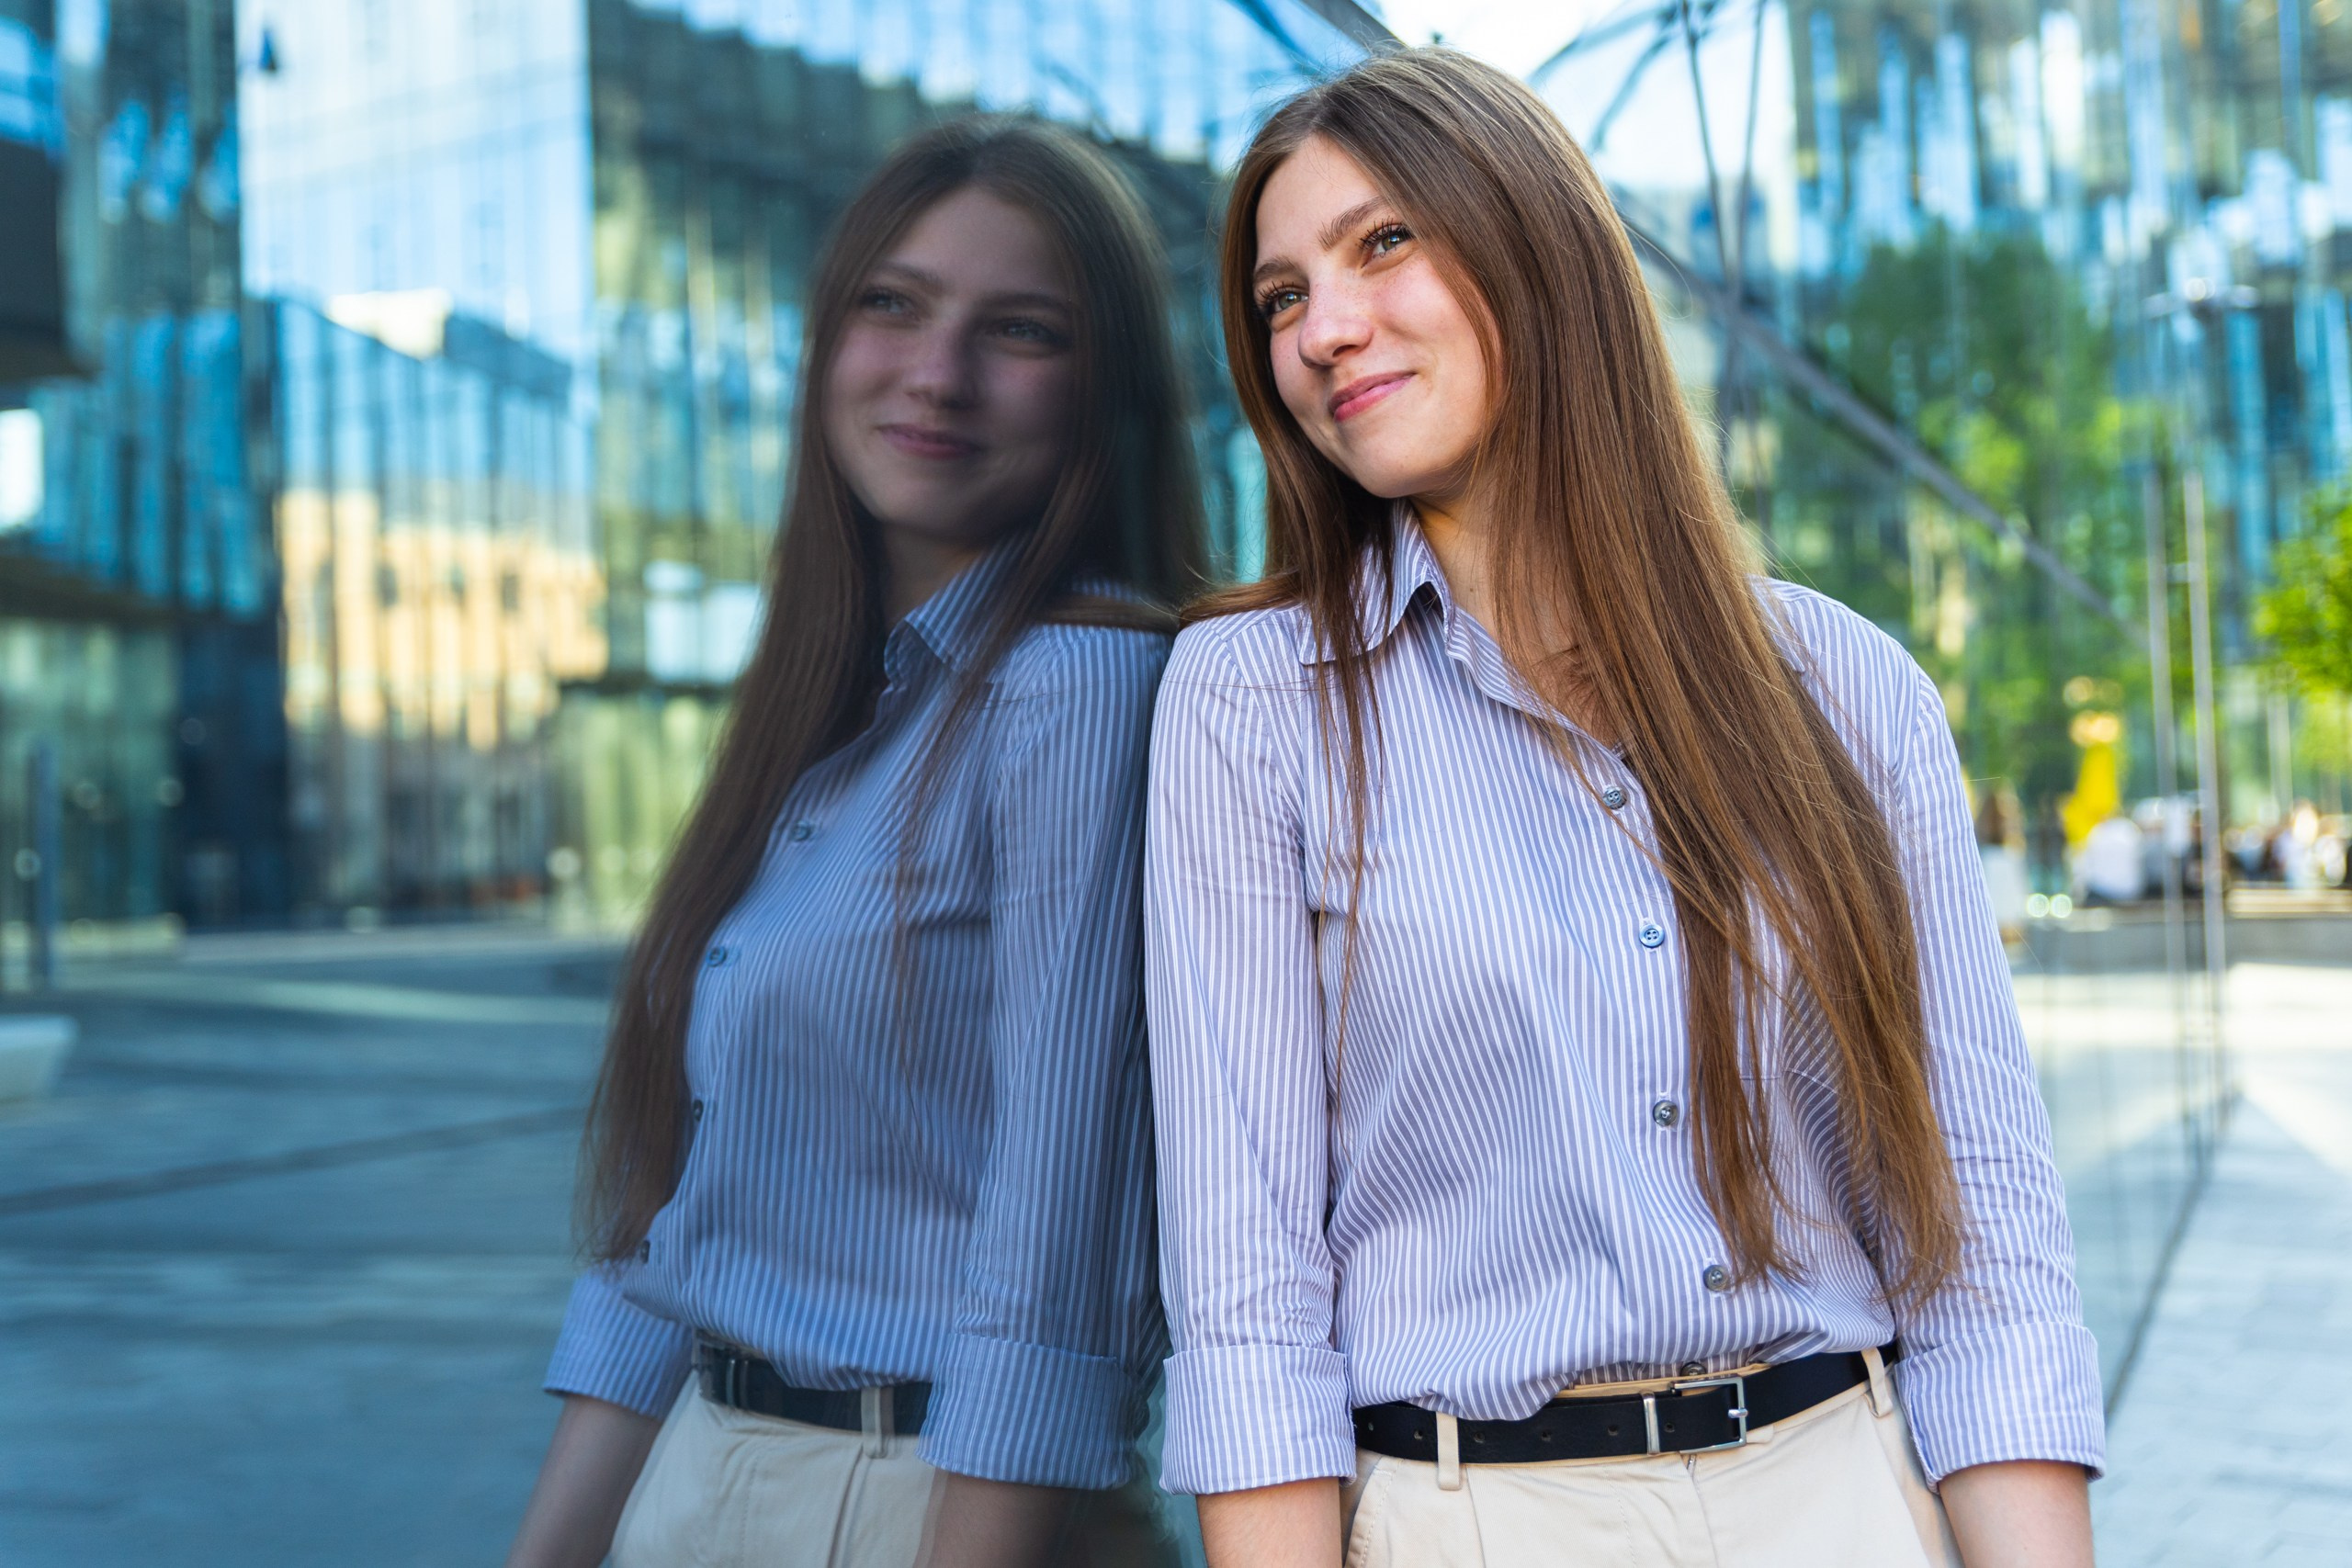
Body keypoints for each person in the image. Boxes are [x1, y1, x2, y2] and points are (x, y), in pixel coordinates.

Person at [1143, 50, 2102, 1568]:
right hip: (1468, 1517)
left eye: (1382, 242)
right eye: (1278, 298)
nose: (1323, 330)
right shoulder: (1252, 705)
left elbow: (1974, 1233)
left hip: (1844, 1495)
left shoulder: (1843, 685)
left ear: (1540, 247)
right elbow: (1249, 1299)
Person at [504, 117, 1204, 1568]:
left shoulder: (1081, 692)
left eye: (1018, 331)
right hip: (705, 1480)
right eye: (893, 304)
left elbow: (1057, 1243)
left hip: (929, 1506)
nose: (935, 373)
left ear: (1106, 395)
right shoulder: (826, 719)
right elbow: (666, 1237)